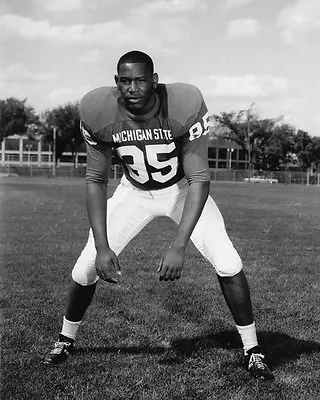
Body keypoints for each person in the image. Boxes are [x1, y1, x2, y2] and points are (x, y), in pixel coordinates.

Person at [44, 50, 274, 380]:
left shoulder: (183, 103)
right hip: (133, 192)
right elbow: (95, 180)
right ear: (116, 82)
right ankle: (65, 339)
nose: (132, 88)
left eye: (140, 80)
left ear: (154, 80)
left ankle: (252, 349)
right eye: (125, 81)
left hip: (181, 189)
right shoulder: (98, 111)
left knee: (228, 262)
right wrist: (103, 246)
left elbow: (199, 179)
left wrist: (179, 246)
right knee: (85, 268)